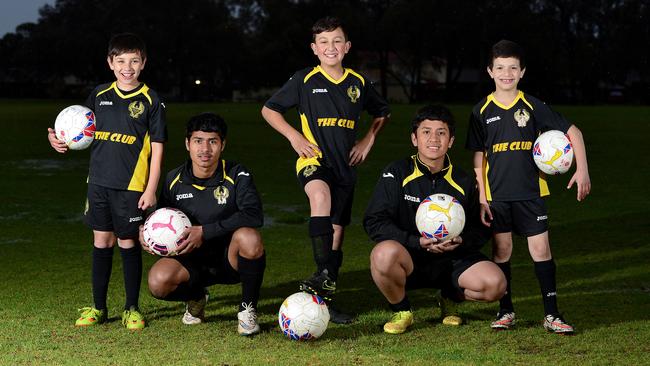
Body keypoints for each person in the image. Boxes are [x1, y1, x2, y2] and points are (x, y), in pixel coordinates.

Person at [261, 16, 390, 324]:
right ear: (314, 49)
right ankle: (321, 274)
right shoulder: (305, 80)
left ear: (346, 47)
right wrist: (294, 137)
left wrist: (367, 140)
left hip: (345, 167)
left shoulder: (358, 83)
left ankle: (325, 300)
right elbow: (269, 109)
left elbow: (383, 111)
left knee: (337, 235)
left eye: (336, 42)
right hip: (313, 160)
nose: (330, 47)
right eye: (323, 42)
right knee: (320, 197)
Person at [466, 40, 591, 334]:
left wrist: (582, 170)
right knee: (502, 249)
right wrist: (482, 197)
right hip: (497, 195)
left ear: (522, 71)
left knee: (541, 249)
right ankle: (506, 311)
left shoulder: (532, 105)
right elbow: (478, 157)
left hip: (531, 193)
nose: (506, 73)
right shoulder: (480, 111)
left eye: (512, 68)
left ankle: (552, 315)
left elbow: (574, 132)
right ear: (489, 71)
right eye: (500, 68)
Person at [47, 33, 166, 330]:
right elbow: (78, 127)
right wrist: (57, 138)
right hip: (98, 183)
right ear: (110, 62)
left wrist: (151, 188)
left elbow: (158, 148)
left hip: (131, 186)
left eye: (134, 61)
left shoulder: (151, 100)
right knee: (101, 241)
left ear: (144, 63)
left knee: (127, 241)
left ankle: (131, 308)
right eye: (121, 60)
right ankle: (98, 308)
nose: (128, 67)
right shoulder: (99, 95)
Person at [364, 104, 506, 334]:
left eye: (441, 132)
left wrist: (461, 241)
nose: (434, 139)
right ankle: (402, 310)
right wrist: (414, 241)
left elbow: (481, 227)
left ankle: (450, 298)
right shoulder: (397, 173)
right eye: (426, 131)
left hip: (452, 261)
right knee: (382, 254)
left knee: (495, 285)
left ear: (450, 141)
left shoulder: (463, 180)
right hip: (410, 257)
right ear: (414, 138)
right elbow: (374, 220)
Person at [143, 113, 266, 336]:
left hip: (230, 257)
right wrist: (147, 233)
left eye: (213, 141)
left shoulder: (237, 174)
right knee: (158, 282)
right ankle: (197, 297)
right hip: (192, 261)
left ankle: (247, 309)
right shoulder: (174, 179)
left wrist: (206, 231)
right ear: (187, 144)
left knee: (250, 237)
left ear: (223, 145)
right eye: (198, 141)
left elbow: (254, 215)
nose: (205, 149)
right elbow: (162, 217)